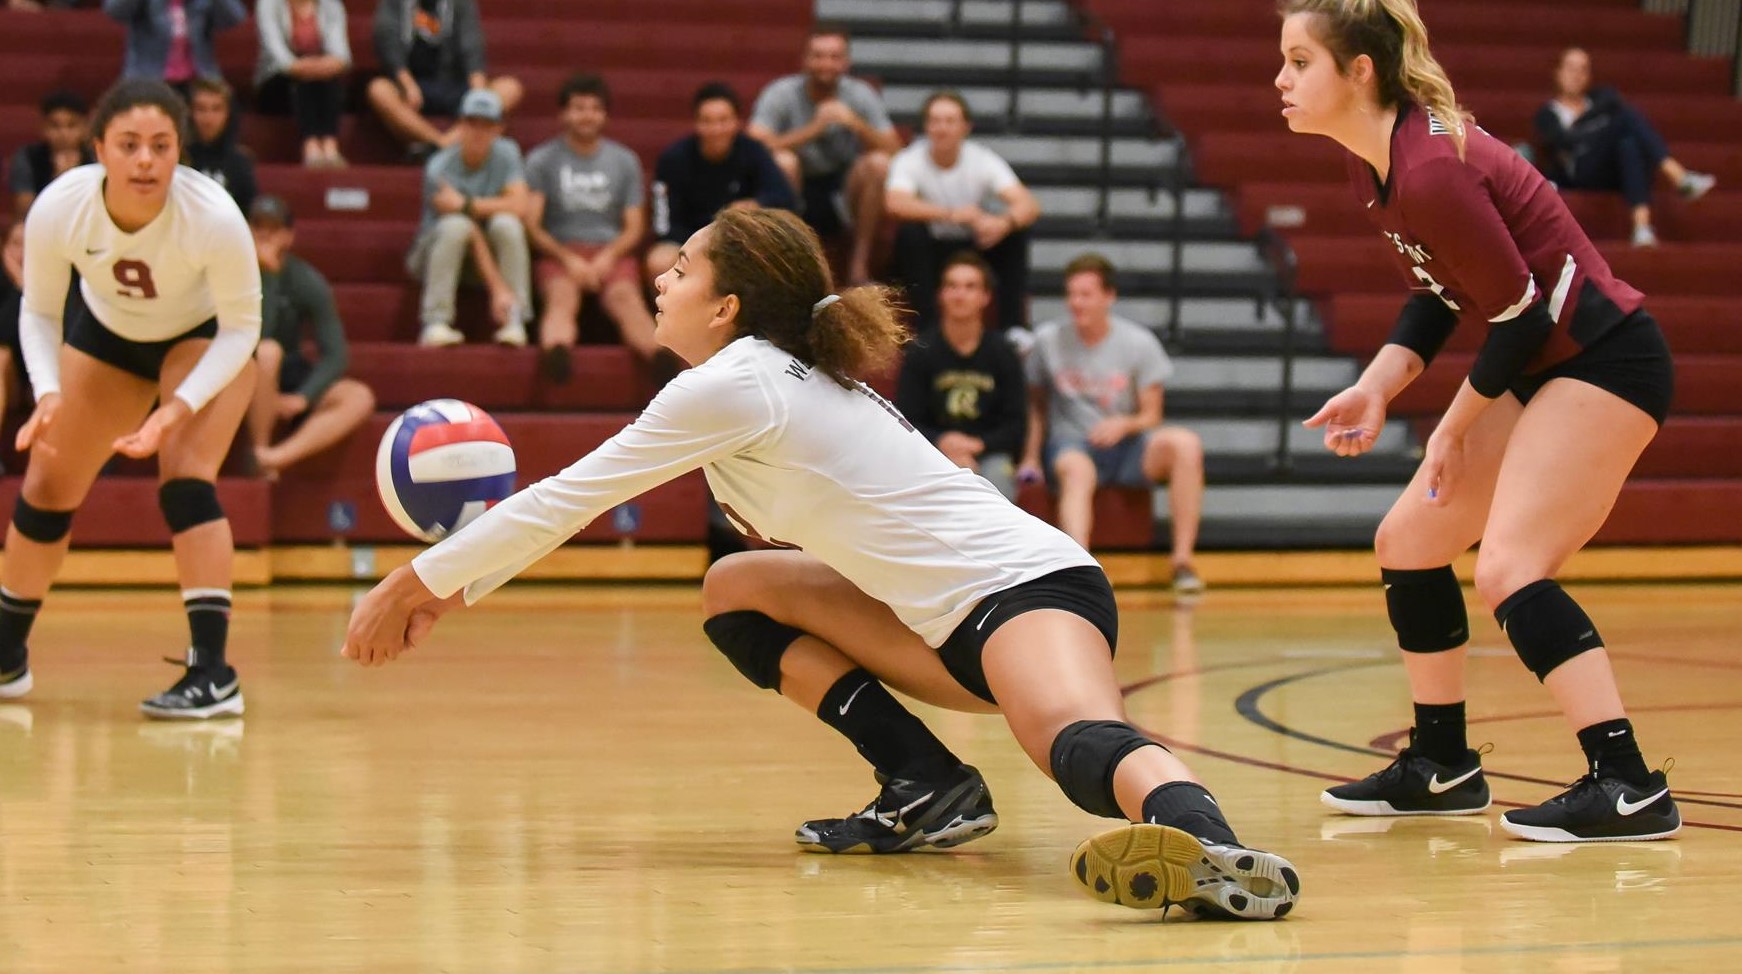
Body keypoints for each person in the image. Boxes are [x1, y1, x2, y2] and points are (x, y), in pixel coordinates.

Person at [340, 207, 1301, 920]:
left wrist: (413, 585)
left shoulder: (734, 382)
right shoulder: (757, 381)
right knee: (735, 591)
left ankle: (1220, 851)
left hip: (1023, 590)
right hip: (940, 624)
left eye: (677, 268)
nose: (658, 279)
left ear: (725, 305)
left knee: (1071, 738)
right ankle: (929, 784)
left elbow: (568, 500)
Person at [1278, 0, 1682, 841]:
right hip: (1544, 366)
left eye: (1298, 61)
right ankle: (1440, 766)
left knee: (1508, 567)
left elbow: (1523, 316)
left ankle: (1629, 783)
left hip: (1605, 361)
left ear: (1359, 72)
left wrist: (1453, 426)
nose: (1280, 81)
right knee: (1409, 543)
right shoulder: (1379, 163)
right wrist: (1378, 387)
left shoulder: (1431, 167)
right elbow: (1438, 292)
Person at [0, 78, 260, 719]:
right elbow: (37, 313)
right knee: (47, 485)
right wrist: (49, 392)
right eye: (129, 144)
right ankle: (6, 659)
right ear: (100, 150)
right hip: (108, 335)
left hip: (201, 340)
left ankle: (213, 673)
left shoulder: (214, 217)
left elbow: (242, 329)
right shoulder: (62, 206)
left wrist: (178, 408)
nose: (145, 159)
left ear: (180, 152)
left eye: (161, 145)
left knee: (185, 481)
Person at [1019, 254, 1205, 595]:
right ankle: (1080, 568)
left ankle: (1182, 562)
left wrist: (1125, 423)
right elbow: (1036, 406)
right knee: (1077, 471)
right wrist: (1031, 457)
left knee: (1185, 444)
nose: (1076, 302)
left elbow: (1153, 414)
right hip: (1071, 442)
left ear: (1109, 296)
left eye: (1086, 294)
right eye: (1071, 294)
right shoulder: (1048, 341)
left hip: (1126, 444)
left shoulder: (1138, 343)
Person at [523, 74, 657, 376]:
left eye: (594, 108)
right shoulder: (541, 160)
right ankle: (556, 357)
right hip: (561, 251)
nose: (587, 115)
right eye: (579, 107)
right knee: (561, 297)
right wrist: (568, 258)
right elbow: (532, 225)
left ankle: (661, 364)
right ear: (564, 114)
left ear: (605, 114)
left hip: (611, 251)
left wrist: (607, 257)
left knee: (627, 301)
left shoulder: (625, 161)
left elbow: (634, 226)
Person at [747, 25, 901, 286]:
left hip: (844, 187)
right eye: (818, 56)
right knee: (784, 161)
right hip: (795, 185)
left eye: (834, 56)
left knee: (878, 164)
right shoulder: (781, 92)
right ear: (804, 60)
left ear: (846, 62)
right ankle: (789, 265)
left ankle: (859, 267)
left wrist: (856, 123)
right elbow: (752, 147)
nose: (826, 63)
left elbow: (895, 149)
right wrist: (812, 130)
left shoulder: (860, 94)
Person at [885, 91, 1039, 332]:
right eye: (935, 121)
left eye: (949, 121)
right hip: (931, 250)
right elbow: (894, 203)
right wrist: (951, 214)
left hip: (973, 245)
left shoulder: (983, 159)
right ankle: (928, 330)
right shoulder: (909, 159)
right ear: (926, 126)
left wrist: (1003, 223)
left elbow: (1028, 204)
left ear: (966, 127)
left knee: (1016, 234)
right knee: (909, 235)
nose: (941, 128)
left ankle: (1013, 330)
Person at [1533, 47, 1715, 249]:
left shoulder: (1600, 100)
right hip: (1579, 171)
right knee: (1624, 119)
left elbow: (1612, 105)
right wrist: (1594, 129)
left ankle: (1642, 228)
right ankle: (1677, 176)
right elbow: (1562, 142)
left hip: (1610, 170)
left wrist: (1589, 128)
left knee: (1628, 144)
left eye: (1583, 69)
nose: (1576, 75)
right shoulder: (1549, 113)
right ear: (1558, 73)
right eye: (1571, 68)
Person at [245, 195, 375, 478]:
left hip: (287, 372)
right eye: (258, 227)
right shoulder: (231, 271)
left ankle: (272, 457)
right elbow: (257, 336)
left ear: (289, 236)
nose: (265, 235)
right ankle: (259, 446)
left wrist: (305, 397)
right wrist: (265, 274)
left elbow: (336, 354)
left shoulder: (305, 279)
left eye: (275, 228)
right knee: (267, 351)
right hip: (238, 373)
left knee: (358, 396)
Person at [894, 252, 1026, 501]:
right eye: (952, 286)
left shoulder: (1003, 352)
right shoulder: (921, 352)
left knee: (997, 476)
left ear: (985, 297)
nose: (959, 294)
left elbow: (1016, 426)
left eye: (970, 287)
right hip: (933, 452)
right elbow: (905, 420)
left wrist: (977, 444)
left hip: (989, 453)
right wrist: (943, 441)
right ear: (941, 294)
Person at [406, 88, 531, 348]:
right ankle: (435, 321)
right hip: (435, 253)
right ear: (460, 125)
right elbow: (469, 230)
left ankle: (514, 318)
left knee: (507, 224)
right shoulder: (439, 167)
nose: (478, 131)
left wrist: (466, 204)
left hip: (480, 255)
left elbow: (520, 206)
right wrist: (497, 286)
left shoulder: (507, 153)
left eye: (486, 125)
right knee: (456, 225)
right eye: (471, 123)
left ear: (499, 129)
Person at [646, 82, 796, 287]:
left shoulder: (753, 151)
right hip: (689, 241)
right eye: (707, 121)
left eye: (723, 120)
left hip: (741, 241)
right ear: (696, 123)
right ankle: (670, 317)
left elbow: (785, 199)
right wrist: (705, 240)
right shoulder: (673, 160)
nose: (716, 129)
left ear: (736, 122)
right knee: (658, 260)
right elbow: (663, 225)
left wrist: (755, 204)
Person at [366, 0, 525, 158]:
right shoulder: (394, 3)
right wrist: (407, 84)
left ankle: (441, 147)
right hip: (413, 87)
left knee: (509, 88)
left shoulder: (460, 3)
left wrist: (478, 97)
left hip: (455, 85)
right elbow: (387, 44)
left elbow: (472, 46)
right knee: (379, 90)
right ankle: (441, 142)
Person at [254, 0, 352, 169]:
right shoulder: (268, 4)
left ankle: (329, 145)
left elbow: (341, 55)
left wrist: (320, 66)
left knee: (327, 81)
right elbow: (277, 54)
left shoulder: (331, 5)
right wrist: (304, 67)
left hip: (320, 80)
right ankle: (311, 146)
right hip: (277, 83)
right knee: (304, 80)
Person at [103, 0, 247, 98]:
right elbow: (114, 10)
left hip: (198, 80)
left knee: (217, 105)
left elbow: (235, 17)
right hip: (148, 79)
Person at [8, 90, 95, 219]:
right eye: (55, 126)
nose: (63, 134)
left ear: (85, 128)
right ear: (43, 127)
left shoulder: (97, 157)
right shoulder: (28, 157)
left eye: (71, 126)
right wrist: (58, 180)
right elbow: (24, 211)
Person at [185, 77, 258, 213]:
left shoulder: (240, 162)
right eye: (201, 109)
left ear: (229, 113)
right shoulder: (178, 158)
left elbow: (248, 213)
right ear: (190, 112)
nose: (208, 118)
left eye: (216, 109)